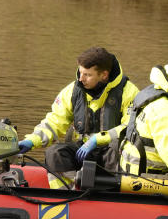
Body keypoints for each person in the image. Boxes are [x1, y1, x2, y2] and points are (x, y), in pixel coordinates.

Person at [17, 47, 139, 188]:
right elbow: (55, 122)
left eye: (87, 75)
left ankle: (112, 199)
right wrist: (31, 141)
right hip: (83, 151)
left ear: (104, 75)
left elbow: (130, 127)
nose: (81, 79)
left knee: (121, 158)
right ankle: (67, 195)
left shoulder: (129, 92)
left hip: (113, 152)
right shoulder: (72, 91)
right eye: (80, 73)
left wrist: (97, 140)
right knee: (54, 153)